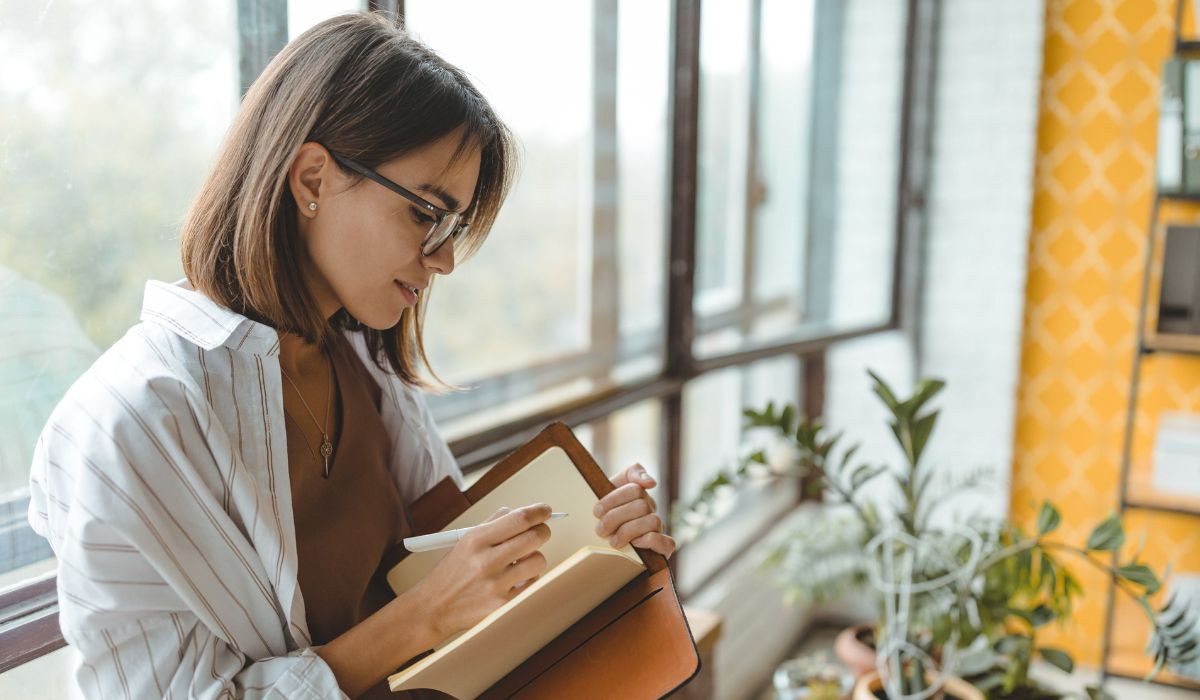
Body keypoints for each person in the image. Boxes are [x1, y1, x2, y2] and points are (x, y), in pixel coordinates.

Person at [27, 12, 675, 699]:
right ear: (312, 179)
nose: (446, 259)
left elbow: (457, 578)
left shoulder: (365, 369)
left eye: (453, 226)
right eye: (426, 214)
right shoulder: (130, 424)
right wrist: (419, 620)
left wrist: (600, 543)